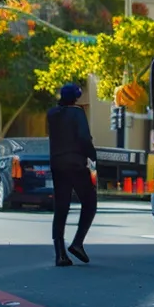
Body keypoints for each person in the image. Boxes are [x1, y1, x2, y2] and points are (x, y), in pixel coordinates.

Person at [46, 83, 99, 267]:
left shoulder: (52, 114)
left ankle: (59, 253)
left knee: (61, 207)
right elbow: (84, 137)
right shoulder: (77, 113)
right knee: (90, 202)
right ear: (75, 98)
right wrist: (92, 155)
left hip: (57, 163)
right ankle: (77, 243)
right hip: (76, 164)